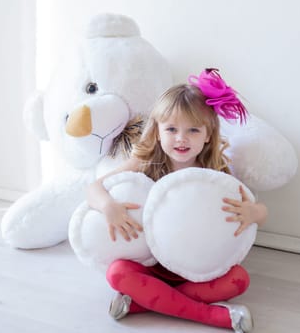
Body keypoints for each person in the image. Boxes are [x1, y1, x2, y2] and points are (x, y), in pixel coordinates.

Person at [86, 69, 268, 333]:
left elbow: (261, 213)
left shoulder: (216, 175)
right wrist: (108, 206)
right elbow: (94, 187)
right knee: (117, 273)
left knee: (239, 280)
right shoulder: (145, 164)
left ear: (208, 135)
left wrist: (253, 212)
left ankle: (141, 303)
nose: (181, 138)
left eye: (193, 130)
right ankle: (213, 316)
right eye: (171, 129)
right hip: (151, 266)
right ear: (158, 131)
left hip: (197, 267)